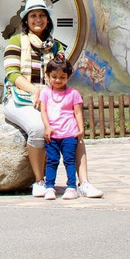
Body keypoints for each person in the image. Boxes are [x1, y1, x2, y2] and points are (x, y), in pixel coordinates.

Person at [3, 0, 103, 198]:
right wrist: (34, 90)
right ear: (26, 20)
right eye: (33, 15)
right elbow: (12, 74)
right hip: (20, 98)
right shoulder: (15, 41)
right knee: (38, 128)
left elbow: (61, 73)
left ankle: (83, 182)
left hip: (51, 99)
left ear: (48, 20)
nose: (37, 19)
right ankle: (39, 181)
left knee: (73, 131)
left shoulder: (56, 46)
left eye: (42, 15)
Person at [39, 56, 84, 200]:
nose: (58, 80)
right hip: (52, 135)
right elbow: (44, 111)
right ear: (48, 76)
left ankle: (71, 187)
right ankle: (49, 187)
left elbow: (77, 112)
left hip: (69, 134)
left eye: (62, 77)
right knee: (52, 161)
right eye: (54, 77)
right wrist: (47, 127)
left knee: (69, 160)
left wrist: (81, 129)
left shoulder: (73, 94)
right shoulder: (45, 93)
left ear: (68, 77)